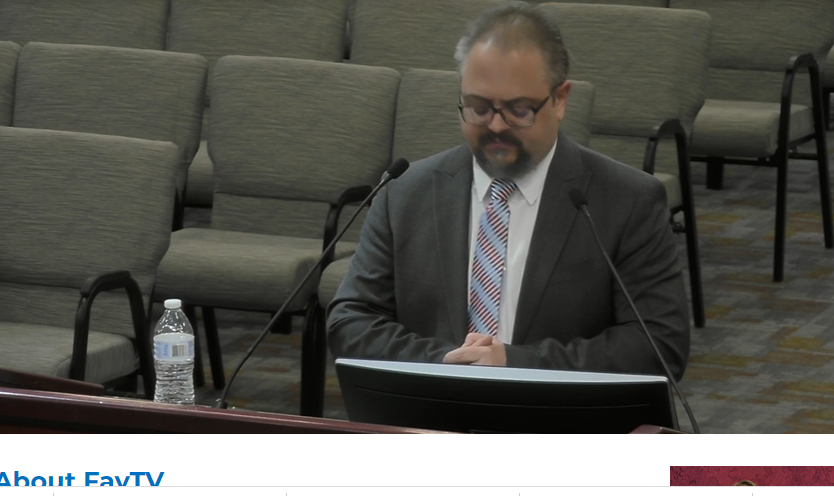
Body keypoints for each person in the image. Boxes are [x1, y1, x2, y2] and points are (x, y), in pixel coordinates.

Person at [326, 1, 690, 379]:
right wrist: (447, 364)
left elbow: (659, 345)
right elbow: (351, 321)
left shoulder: (627, 201)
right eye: (478, 108)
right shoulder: (404, 193)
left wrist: (514, 364)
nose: (495, 126)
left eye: (518, 109)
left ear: (561, 99)